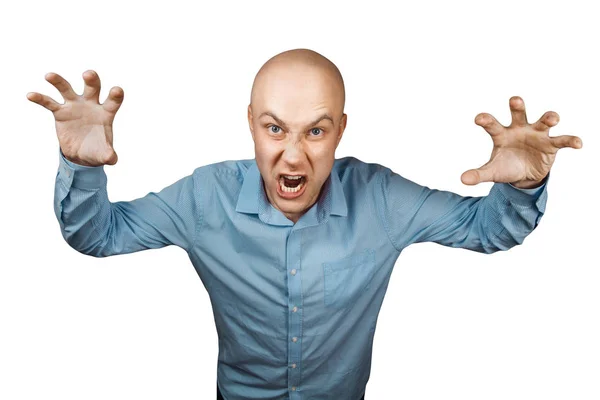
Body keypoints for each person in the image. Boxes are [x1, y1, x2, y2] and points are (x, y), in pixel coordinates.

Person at [27, 48, 582, 400]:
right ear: (250, 123)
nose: (292, 157)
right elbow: (98, 235)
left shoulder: (382, 198)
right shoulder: (203, 198)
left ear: (341, 130)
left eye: (315, 132)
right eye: (274, 128)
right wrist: (80, 166)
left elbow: (488, 230)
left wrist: (520, 186)